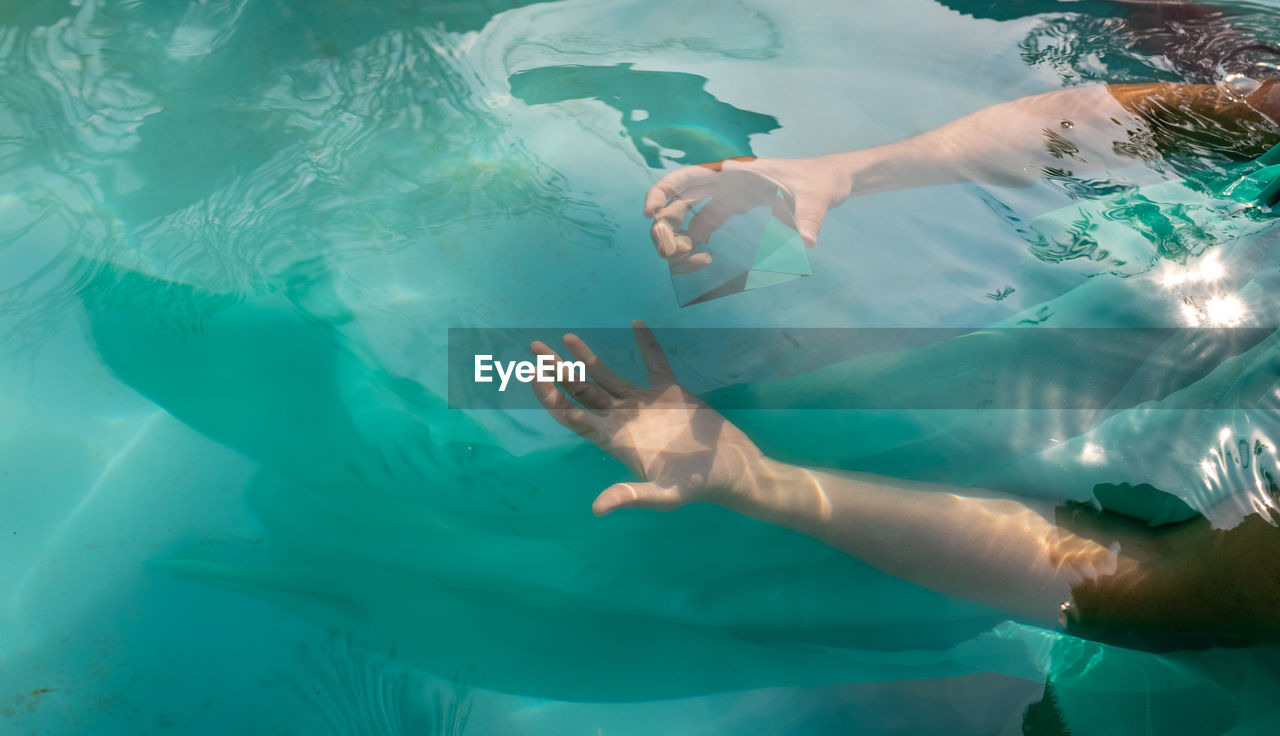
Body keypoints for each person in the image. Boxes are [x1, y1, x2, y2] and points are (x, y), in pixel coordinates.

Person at [530, 77, 1280, 649]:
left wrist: (765, 485)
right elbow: (1166, 120)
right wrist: (851, 170)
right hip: (1179, 335)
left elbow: (1174, 594)